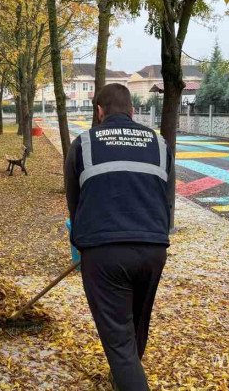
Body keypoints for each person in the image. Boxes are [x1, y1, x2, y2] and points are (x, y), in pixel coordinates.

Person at [64, 84, 175, 391]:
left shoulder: (83, 144)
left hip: (104, 254)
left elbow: (75, 204)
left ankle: (126, 375)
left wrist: (83, 246)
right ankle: (123, 375)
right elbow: (167, 200)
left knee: (120, 342)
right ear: (133, 111)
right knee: (136, 323)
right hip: (153, 249)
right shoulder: (159, 143)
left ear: (99, 112)